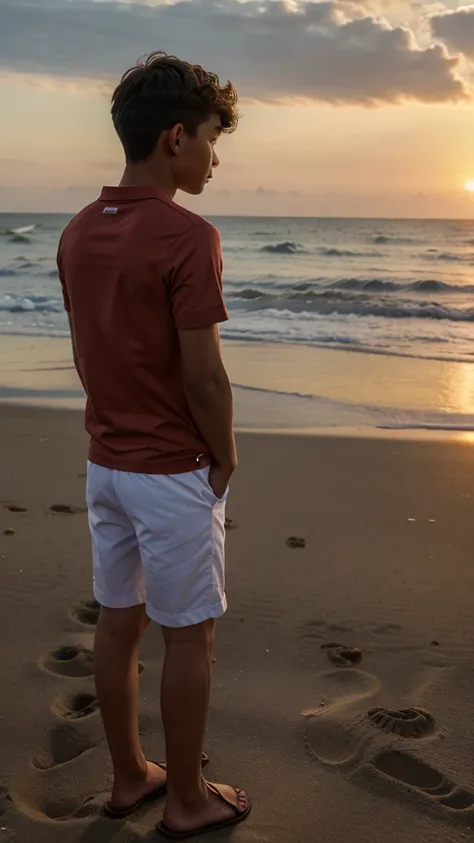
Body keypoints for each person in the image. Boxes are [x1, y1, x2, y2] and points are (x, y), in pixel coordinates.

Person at [57, 52, 250, 839]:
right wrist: (224, 448)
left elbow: (92, 349)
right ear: (176, 138)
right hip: (170, 470)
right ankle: (187, 797)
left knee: (117, 621)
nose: (214, 156)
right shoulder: (187, 234)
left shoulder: (76, 231)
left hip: (106, 462)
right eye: (210, 139)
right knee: (189, 633)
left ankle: (131, 774)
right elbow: (203, 374)